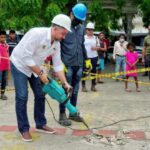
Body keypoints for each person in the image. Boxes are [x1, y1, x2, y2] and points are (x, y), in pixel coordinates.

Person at [10, 14, 72, 142]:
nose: (64, 37)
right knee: (22, 96)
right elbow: (26, 57)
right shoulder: (37, 34)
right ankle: (24, 129)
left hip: (35, 67)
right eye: (63, 33)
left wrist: (65, 82)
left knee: (40, 94)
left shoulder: (56, 44)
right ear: (55, 28)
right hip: (19, 64)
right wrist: (41, 73)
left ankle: (40, 123)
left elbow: (58, 64)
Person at [59, 3, 91, 126]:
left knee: (76, 91)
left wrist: (87, 59)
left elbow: (82, 45)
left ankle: (72, 113)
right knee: (65, 91)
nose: (78, 22)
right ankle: (62, 114)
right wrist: (60, 63)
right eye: (77, 19)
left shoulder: (82, 28)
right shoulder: (64, 28)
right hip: (67, 65)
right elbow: (58, 46)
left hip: (79, 64)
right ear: (71, 14)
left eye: (80, 20)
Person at [82, 22, 99, 92]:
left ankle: (93, 85)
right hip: (86, 57)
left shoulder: (96, 38)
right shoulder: (83, 37)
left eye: (91, 29)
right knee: (85, 72)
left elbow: (98, 47)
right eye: (88, 29)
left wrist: (95, 48)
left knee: (93, 71)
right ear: (86, 30)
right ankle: (83, 86)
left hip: (94, 56)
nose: (90, 31)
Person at [0, 30, 10, 100]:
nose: (3, 39)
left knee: (4, 81)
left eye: (4, 37)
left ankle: (2, 94)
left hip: (5, 66)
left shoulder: (7, 45)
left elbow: (7, 55)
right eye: (1, 37)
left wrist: (9, 66)